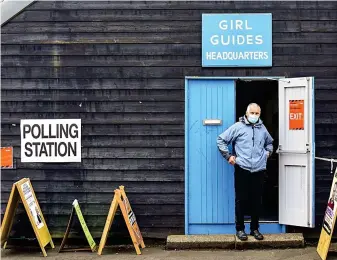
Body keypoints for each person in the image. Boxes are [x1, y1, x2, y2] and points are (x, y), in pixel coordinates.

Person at [217, 103, 273, 241]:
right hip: (242, 168)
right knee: (241, 199)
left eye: (257, 113)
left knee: (256, 199)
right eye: (252, 113)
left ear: (260, 114)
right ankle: (240, 229)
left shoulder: (262, 128)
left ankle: (254, 229)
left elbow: (270, 142)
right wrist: (228, 156)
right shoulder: (238, 127)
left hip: (259, 169)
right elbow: (221, 140)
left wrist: (267, 153)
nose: (254, 115)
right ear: (247, 113)